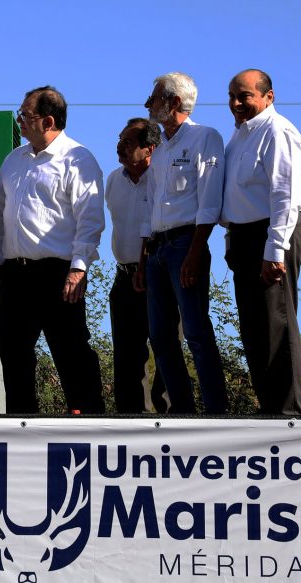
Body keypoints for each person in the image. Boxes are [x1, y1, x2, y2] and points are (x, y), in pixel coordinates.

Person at [0, 86, 105, 414]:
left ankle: (88, 419)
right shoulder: (13, 160)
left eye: (26, 114)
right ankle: (20, 421)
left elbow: (90, 218)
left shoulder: (77, 159)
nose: (20, 120)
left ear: (49, 121)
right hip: (15, 272)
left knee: (70, 352)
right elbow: (0, 214)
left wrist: (79, 266)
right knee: (13, 353)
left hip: (58, 271)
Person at [136, 72, 228, 414]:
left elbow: (208, 200)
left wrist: (194, 251)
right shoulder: (159, 152)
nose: (148, 106)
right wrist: (143, 259)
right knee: (160, 337)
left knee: (196, 331)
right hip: (158, 249)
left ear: (174, 102)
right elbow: (150, 207)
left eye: (154, 98)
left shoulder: (205, 138)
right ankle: (183, 410)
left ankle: (216, 409)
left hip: (186, 244)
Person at [223, 69, 301, 415]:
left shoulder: (277, 130)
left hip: (274, 234)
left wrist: (274, 250)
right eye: (232, 95)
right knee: (253, 329)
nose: (236, 103)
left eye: (244, 95)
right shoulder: (239, 138)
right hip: (245, 238)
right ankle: (271, 411)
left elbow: (284, 194)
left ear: (268, 97)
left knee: (277, 322)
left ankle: (292, 415)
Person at [105, 118, 173, 413]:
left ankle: (172, 417)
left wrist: (147, 266)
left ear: (150, 150)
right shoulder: (113, 180)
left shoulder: (163, 180)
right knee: (126, 354)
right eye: (120, 140)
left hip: (159, 274)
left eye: (128, 142)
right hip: (124, 277)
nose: (120, 146)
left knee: (166, 347)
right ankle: (132, 418)